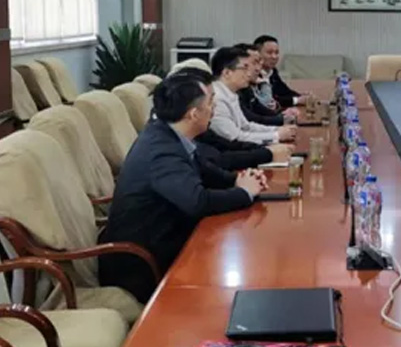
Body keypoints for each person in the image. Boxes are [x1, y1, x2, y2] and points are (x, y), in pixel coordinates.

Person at [98, 73, 269, 303]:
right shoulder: (161, 151)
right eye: (211, 101)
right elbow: (197, 202)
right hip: (142, 264)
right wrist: (244, 193)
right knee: (239, 261)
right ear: (194, 113)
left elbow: (205, 170)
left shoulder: (169, 134)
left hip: (171, 239)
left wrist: (238, 180)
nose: (214, 108)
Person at [172, 67, 293, 169]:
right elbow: (222, 156)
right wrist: (271, 147)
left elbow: (229, 144)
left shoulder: (233, 95)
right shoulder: (170, 148)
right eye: (210, 101)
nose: (214, 105)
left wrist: (268, 148)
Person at [210, 47, 297, 145]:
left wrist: (276, 129)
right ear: (227, 73)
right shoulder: (217, 99)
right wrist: (277, 135)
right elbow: (235, 137)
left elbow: (246, 126)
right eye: (244, 68)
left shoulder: (231, 93)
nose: (249, 73)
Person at [233, 43, 297, 126]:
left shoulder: (245, 87)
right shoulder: (232, 91)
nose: (258, 68)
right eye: (254, 63)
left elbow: (259, 108)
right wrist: (281, 120)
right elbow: (250, 119)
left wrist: (282, 115)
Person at [254, 35, 311, 108]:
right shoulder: (253, 74)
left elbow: (284, 91)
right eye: (269, 52)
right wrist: (297, 100)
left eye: (276, 52)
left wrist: (300, 96)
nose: (274, 56)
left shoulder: (273, 71)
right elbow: (268, 101)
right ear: (257, 54)